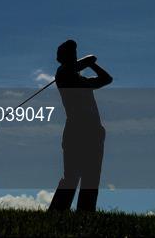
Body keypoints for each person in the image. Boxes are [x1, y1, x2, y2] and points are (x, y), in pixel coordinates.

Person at [48, 39, 113, 212]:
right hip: (76, 132)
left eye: (74, 54)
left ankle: (85, 215)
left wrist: (93, 65)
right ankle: (57, 213)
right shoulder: (62, 74)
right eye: (69, 54)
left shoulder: (84, 81)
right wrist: (89, 61)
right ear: (62, 59)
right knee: (71, 177)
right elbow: (77, 65)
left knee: (91, 179)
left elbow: (107, 79)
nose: (73, 57)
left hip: (94, 133)